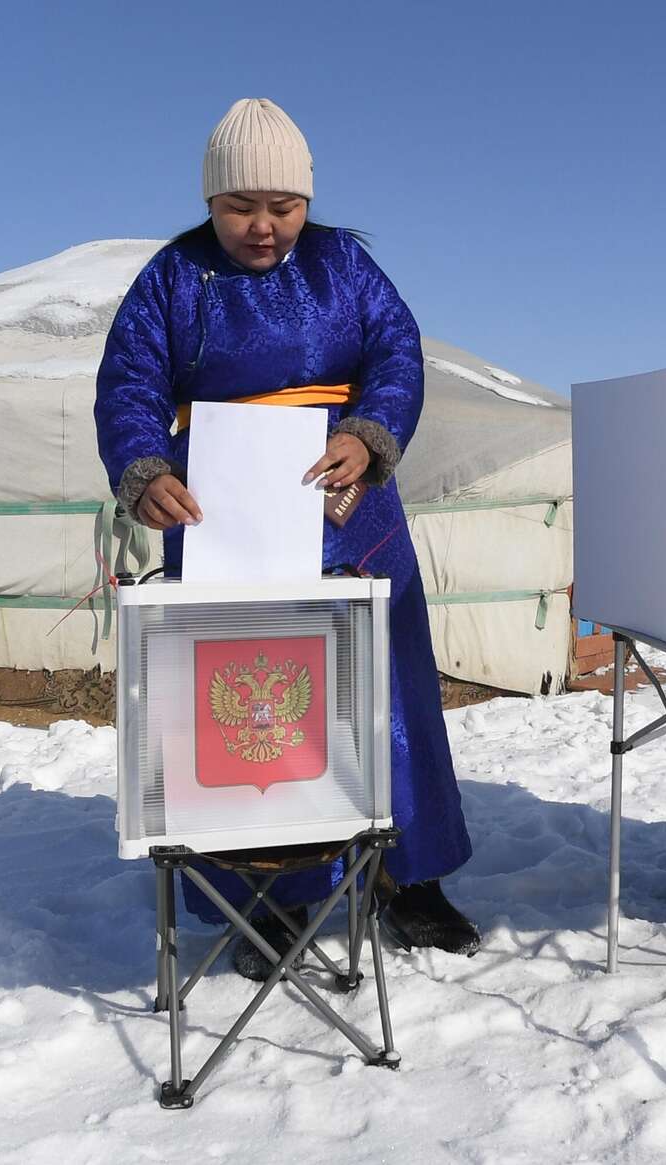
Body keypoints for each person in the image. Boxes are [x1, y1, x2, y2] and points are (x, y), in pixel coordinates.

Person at [95, 98, 479, 977]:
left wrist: (372, 431)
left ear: (309, 200)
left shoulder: (344, 266)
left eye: (284, 206)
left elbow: (397, 353)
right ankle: (268, 895)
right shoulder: (172, 277)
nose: (264, 227)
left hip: (349, 509)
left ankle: (406, 878)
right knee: (258, 710)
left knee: (388, 697)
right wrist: (145, 469)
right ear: (209, 202)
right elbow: (128, 383)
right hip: (225, 519)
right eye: (241, 208)